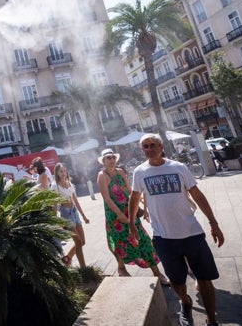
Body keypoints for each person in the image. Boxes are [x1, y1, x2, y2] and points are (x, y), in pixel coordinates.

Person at [130, 134, 224, 326]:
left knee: (205, 279)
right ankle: (185, 301)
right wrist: (132, 222)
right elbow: (134, 196)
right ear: (142, 150)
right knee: (176, 280)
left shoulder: (178, 167)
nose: (150, 149)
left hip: (192, 233)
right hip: (163, 238)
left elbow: (197, 194)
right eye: (146, 146)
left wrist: (214, 223)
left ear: (161, 146)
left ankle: (212, 320)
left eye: (153, 145)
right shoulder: (140, 172)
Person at [96, 148, 169, 283]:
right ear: (103, 161)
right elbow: (107, 198)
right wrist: (119, 214)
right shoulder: (102, 176)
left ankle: (157, 273)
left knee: (143, 239)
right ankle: (121, 267)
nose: (111, 160)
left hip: (129, 211)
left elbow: (130, 191)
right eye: (108, 158)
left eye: (113, 157)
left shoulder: (121, 172)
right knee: (119, 241)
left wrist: (142, 205)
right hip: (115, 215)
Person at [53, 163, 89, 268]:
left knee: (82, 241)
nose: (63, 173)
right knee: (77, 241)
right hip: (66, 214)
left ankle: (67, 258)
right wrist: (55, 220)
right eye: (61, 171)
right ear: (57, 173)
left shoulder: (69, 183)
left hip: (74, 212)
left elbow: (76, 201)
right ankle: (84, 268)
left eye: (65, 171)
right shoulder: (55, 185)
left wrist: (83, 216)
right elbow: (54, 203)